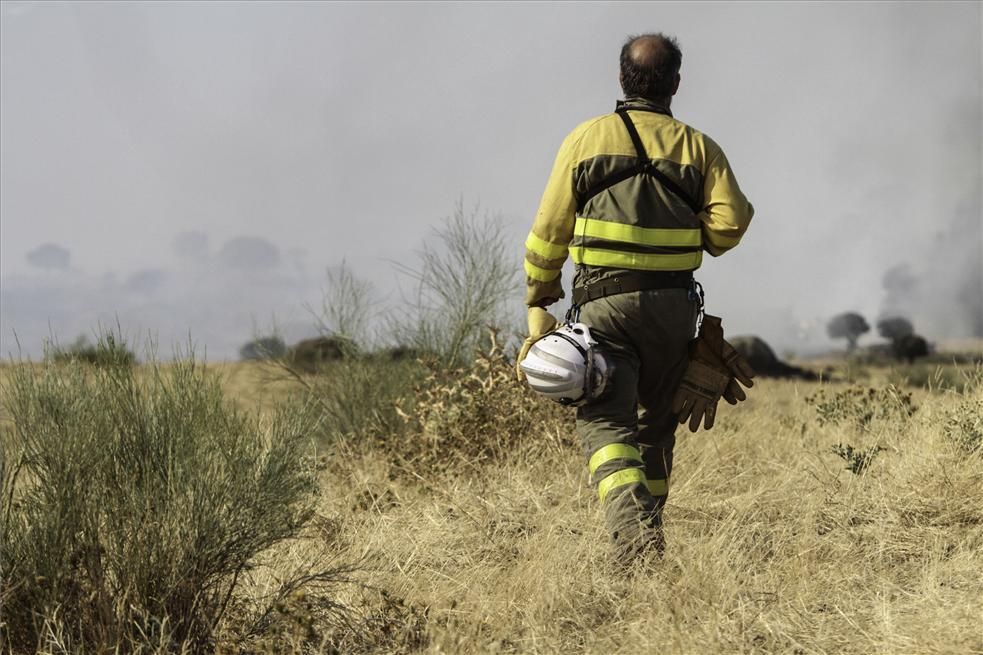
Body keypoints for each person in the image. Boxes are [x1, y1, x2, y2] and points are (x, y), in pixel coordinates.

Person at [517, 33, 754, 565]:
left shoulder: (586, 140)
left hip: (606, 308)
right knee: (654, 427)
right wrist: (693, 229)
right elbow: (730, 226)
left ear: (622, 78)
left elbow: (546, 234)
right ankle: (648, 537)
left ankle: (635, 540)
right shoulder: (699, 148)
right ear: (675, 82)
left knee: (605, 422)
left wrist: (540, 302)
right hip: (674, 314)